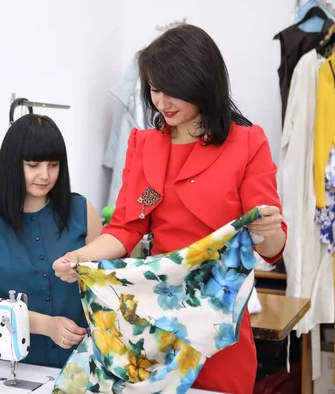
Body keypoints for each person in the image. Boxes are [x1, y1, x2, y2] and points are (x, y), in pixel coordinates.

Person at [53, 24, 287, 394]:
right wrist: (80, 258)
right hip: (155, 322)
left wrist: (270, 231)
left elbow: (271, 250)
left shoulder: (247, 143)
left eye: (173, 90)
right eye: (155, 90)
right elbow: (126, 230)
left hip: (218, 326)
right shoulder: (144, 145)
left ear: (202, 83)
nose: (161, 102)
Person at [0, 113, 103, 368]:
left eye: (54, 164)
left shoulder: (83, 210)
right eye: (33, 165)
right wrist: (47, 326)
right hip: (10, 366)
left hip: (82, 363)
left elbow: (104, 286)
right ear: (13, 164)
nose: (45, 175)